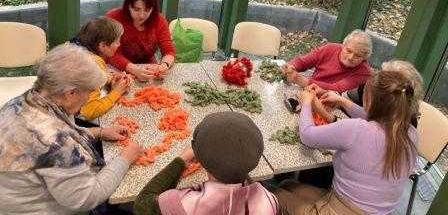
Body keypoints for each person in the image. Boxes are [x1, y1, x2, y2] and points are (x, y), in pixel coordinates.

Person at [0, 44, 143, 215]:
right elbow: (86, 198)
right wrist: (125, 158)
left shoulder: (26, 99)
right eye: (90, 91)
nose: (89, 97)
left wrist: (99, 132)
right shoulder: (56, 143)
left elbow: (54, 134)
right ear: (71, 93)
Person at [275, 70, 418, 215]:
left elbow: (307, 136)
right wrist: (342, 101)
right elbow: (373, 117)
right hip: (368, 210)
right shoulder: (411, 132)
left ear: (369, 100)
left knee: (275, 194)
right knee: (288, 185)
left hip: (340, 210)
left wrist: (306, 102)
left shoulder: (356, 129)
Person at [134, 111, 280, 215]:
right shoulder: (269, 199)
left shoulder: (187, 203)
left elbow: (142, 204)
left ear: (199, 157)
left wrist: (181, 160)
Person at [106, 0, 175, 81]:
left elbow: (169, 51)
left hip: (148, 67)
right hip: (115, 69)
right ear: (128, 6)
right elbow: (112, 54)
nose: (142, 15)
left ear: (153, 8)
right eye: (137, 9)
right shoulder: (113, 17)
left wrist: (164, 65)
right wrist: (135, 70)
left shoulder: (159, 20)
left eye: (147, 10)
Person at [70, 16, 133, 121]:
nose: (119, 44)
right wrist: (117, 92)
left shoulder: (73, 45)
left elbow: (81, 80)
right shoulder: (93, 64)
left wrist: (106, 78)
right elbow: (88, 112)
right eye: (117, 41)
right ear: (103, 45)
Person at [282, 30, 372, 94]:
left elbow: (337, 89)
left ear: (364, 58)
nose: (350, 57)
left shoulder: (364, 72)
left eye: (358, 55)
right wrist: (291, 66)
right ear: (343, 46)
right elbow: (303, 62)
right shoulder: (330, 48)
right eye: (348, 51)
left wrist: (301, 80)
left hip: (332, 105)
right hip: (308, 93)